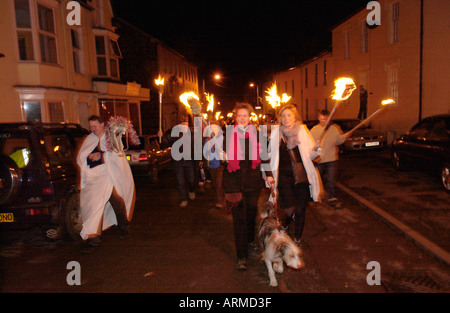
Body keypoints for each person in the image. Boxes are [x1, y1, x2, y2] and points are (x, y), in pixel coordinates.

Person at [265, 104, 322, 246]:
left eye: (289, 115)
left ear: (294, 116)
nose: (286, 118)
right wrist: (269, 175)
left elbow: (311, 155)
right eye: (283, 116)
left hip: (301, 177)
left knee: (300, 208)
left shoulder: (302, 130)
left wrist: (316, 149)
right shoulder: (276, 133)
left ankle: (297, 238)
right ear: (280, 118)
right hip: (284, 178)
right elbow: (269, 156)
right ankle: (284, 225)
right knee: (290, 209)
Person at [77, 115, 135, 253]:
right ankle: (94, 237)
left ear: (102, 124)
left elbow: (117, 156)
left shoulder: (111, 138)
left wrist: (102, 156)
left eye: (94, 126)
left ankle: (121, 228)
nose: (92, 129)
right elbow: (81, 157)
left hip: (109, 177)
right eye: (90, 127)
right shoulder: (90, 139)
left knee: (116, 202)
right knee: (94, 206)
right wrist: (89, 157)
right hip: (95, 178)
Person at [222, 103, 270, 270]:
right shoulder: (227, 135)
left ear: (250, 118)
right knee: (239, 221)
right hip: (234, 184)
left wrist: (269, 175)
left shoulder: (257, 134)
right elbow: (216, 156)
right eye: (239, 115)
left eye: (245, 115)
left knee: (250, 216)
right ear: (235, 118)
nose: (242, 118)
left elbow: (264, 156)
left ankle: (250, 240)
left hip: (252, 184)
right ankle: (241, 256)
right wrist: (222, 156)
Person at [310, 110, 348, 209]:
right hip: (319, 160)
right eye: (322, 119)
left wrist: (344, 137)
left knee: (331, 180)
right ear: (319, 118)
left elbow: (338, 141)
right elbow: (310, 144)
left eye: (326, 119)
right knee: (317, 180)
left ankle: (332, 198)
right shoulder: (314, 130)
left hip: (331, 159)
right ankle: (317, 197)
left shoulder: (335, 128)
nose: (324, 121)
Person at [159, 114, 196, 208]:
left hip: (189, 160)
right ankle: (183, 199)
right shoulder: (174, 133)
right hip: (178, 161)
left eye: (186, 123)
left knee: (191, 179)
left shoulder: (192, 132)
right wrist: (161, 137)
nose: (185, 125)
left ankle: (191, 190)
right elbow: (164, 144)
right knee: (180, 181)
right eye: (183, 123)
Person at [204, 121, 225, 208]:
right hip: (212, 165)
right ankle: (219, 197)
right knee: (215, 184)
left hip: (220, 164)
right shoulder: (207, 139)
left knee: (219, 184)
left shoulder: (222, 138)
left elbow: (222, 150)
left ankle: (220, 201)